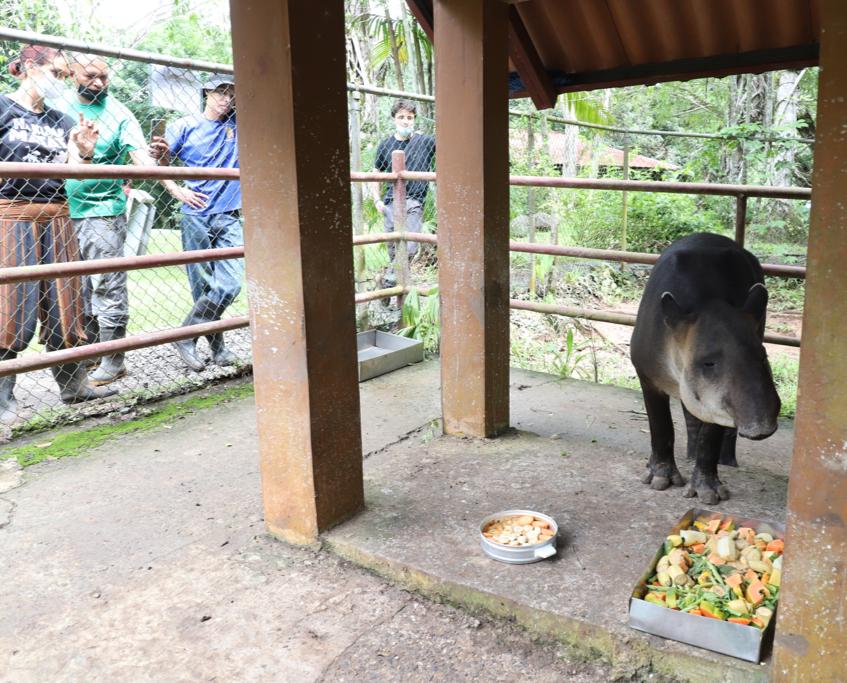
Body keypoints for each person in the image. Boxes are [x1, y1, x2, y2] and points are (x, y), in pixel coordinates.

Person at [50, 54, 206, 386]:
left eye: (105, 77)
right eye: (91, 76)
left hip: (101, 211)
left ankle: (114, 358)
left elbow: (142, 158)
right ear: (73, 74)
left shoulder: (119, 113)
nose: (99, 83)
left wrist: (173, 186)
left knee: (107, 284)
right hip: (58, 210)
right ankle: (90, 351)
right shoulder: (57, 102)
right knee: (72, 288)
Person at [0, 45, 117, 424]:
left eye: (66, 75)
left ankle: (72, 383)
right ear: (30, 68)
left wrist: (83, 153)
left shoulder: (63, 119)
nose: (62, 80)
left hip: (58, 214)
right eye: (57, 71)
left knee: (66, 304)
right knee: (11, 304)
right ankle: (2, 395)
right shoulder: (3, 108)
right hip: (11, 212)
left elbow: (73, 171)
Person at [148, 75, 242, 372]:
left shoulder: (239, 125)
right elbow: (158, 163)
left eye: (231, 93)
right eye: (220, 92)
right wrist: (177, 190)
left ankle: (185, 335)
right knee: (202, 286)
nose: (226, 99)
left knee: (229, 284)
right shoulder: (185, 125)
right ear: (206, 93)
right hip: (196, 215)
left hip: (230, 215)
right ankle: (218, 350)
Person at [370, 99, 435, 284]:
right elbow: (376, 174)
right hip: (390, 203)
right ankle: (395, 294)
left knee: (411, 246)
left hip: (414, 202)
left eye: (409, 117)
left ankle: (387, 282)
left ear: (414, 119)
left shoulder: (425, 142)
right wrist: (377, 201)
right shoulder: (385, 145)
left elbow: (448, 146)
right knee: (393, 250)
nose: (405, 121)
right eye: (401, 117)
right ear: (394, 119)